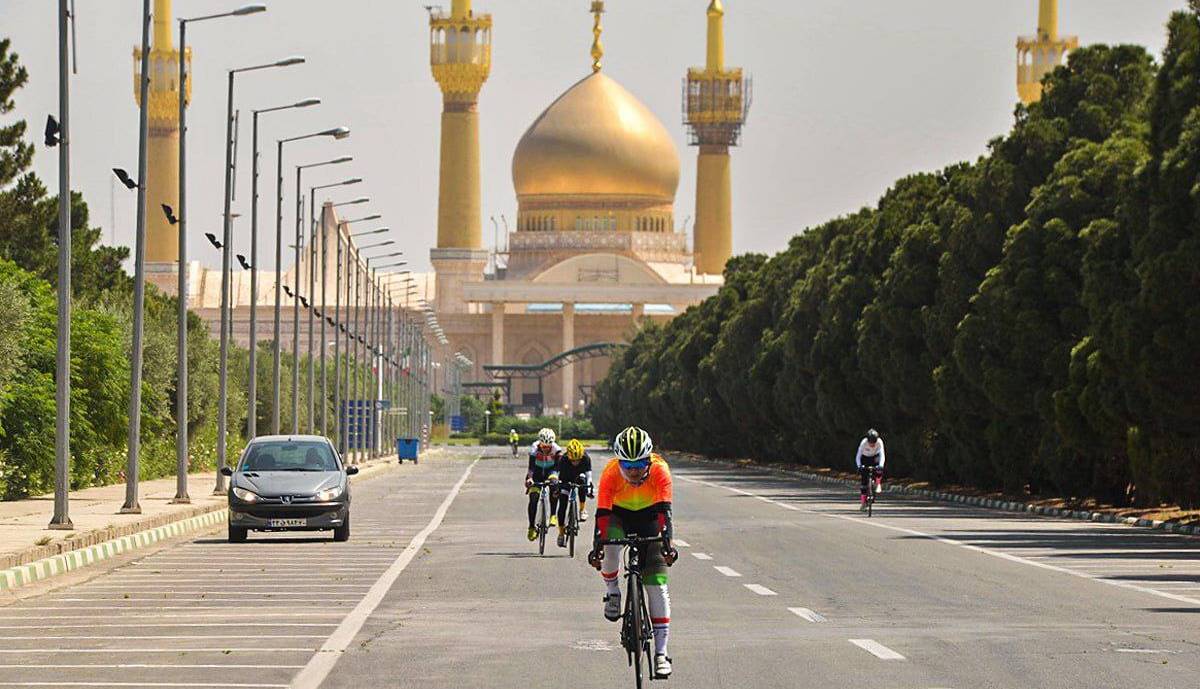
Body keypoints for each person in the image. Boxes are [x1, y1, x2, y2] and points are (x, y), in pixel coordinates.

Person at [587, 426, 678, 679]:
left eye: (640, 463)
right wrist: (598, 547)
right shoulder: (610, 473)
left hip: (650, 516)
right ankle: (612, 591)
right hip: (619, 516)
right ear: (620, 462)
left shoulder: (660, 470)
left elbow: (665, 514)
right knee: (610, 547)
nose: (635, 470)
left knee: (657, 586)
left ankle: (661, 654)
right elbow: (602, 516)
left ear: (649, 459)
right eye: (628, 465)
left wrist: (668, 544)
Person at [524, 428, 563, 541]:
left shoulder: (557, 449)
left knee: (554, 485)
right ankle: (531, 527)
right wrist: (530, 479)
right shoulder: (534, 448)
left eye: (548, 446)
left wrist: (556, 479)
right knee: (533, 498)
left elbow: (558, 468)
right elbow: (531, 467)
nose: (545, 449)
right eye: (543, 446)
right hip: (536, 472)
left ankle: (553, 515)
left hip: (551, 471)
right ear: (539, 443)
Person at [556, 439, 594, 548]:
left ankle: (582, 509)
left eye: (578, 460)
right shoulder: (563, 459)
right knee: (562, 504)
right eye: (572, 460)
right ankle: (561, 532)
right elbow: (559, 478)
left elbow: (589, 476)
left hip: (579, 477)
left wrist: (589, 489)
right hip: (566, 479)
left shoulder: (586, 458)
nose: (575, 462)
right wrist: (557, 489)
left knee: (582, 482)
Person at [855, 428, 885, 510]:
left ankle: (878, 483)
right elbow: (858, 456)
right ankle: (863, 503)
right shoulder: (863, 443)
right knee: (864, 482)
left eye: (874, 443)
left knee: (879, 469)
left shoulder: (879, 442)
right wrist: (859, 466)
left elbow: (882, 454)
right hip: (865, 458)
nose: (872, 445)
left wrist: (881, 465)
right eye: (870, 443)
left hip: (875, 457)